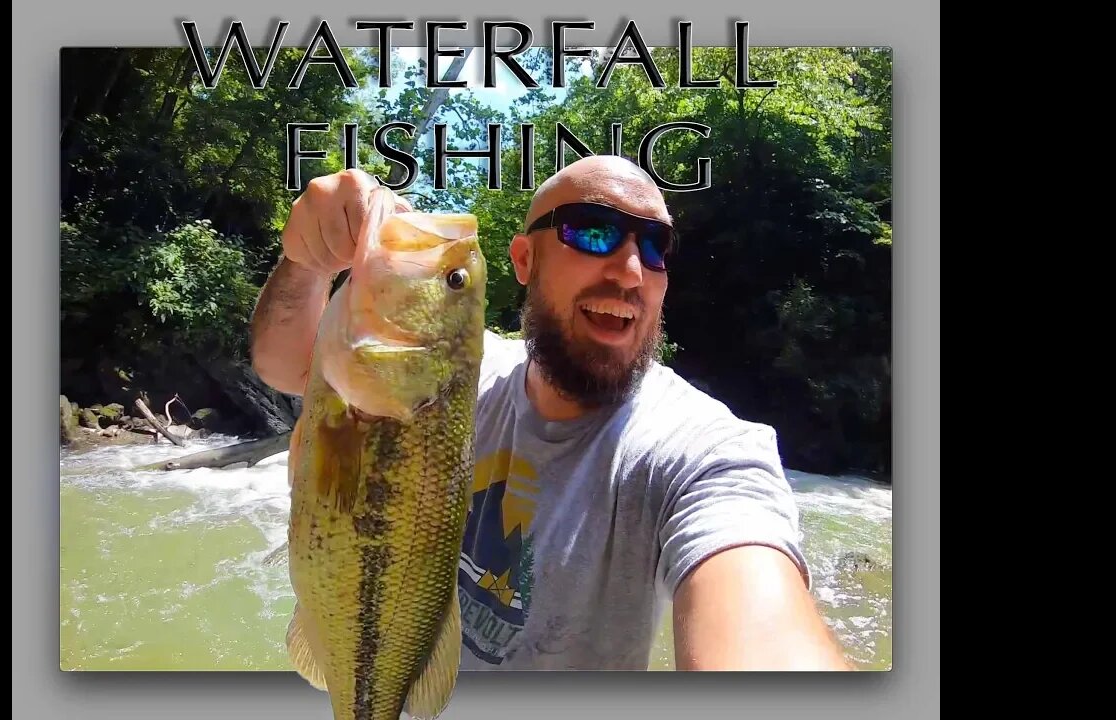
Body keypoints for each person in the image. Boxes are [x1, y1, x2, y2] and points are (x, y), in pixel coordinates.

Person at [249, 158, 852, 671]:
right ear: (523, 261)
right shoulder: (453, 376)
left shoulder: (703, 449)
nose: (629, 270)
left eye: (654, 245)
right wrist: (308, 261)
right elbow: (283, 366)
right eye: (592, 231)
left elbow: (759, 624)